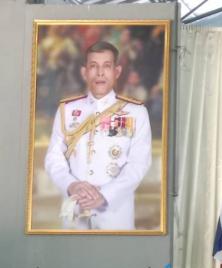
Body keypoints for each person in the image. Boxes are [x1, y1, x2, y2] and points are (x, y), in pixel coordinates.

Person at [44, 40, 152, 230]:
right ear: (84, 72)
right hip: (75, 210)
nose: (100, 73)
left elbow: (139, 163)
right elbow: (54, 158)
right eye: (93, 66)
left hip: (114, 215)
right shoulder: (67, 110)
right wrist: (71, 185)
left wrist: (105, 195)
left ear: (117, 72)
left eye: (107, 66)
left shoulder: (136, 112)